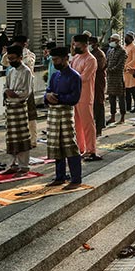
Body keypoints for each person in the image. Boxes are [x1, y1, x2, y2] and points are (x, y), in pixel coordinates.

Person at [45, 47, 83, 189]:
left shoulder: (74, 76)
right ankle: (60, 177)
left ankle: (76, 179)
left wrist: (58, 98)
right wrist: (47, 96)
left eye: (56, 60)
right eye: (53, 60)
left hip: (66, 114)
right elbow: (48, 91)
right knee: (57, 145)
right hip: (54, 115)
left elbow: (74, 98)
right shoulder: (55, 75)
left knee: (70, 146)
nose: (54, 62)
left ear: (65, 58)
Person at [0, 35, 37, 142]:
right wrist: (9, 52)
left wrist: (19, 52)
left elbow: (26, 64)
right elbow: (4, 62)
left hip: (26, 88)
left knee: (30, 115)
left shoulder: (29, 55)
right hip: (12, 87)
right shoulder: (11, 60)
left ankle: (32, 139)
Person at [3, 45, 34, 174]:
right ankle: (13, 164)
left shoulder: (27, 71)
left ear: (20, 58)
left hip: (20, 107)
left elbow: (27, 91)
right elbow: (5, 86)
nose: (11, 61)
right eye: (9, 59)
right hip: (10, 108)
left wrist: (14, 94)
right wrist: (7, 92)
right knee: (11, 138)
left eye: (13, 59)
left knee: (22, 138)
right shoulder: (10, 71)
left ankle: (24, 166)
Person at [70, 34, 99, 161]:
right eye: (74, 45)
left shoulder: (91, 59)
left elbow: (84, 77)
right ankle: (80, 148)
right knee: (77, 124)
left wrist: (69, 80)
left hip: (85, 95)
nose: (75, 47)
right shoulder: (76, 57)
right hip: (75, 95)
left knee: (87, 124)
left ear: (85, 45)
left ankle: (91, 150)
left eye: (77, 45)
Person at [88, 37, 107, 137]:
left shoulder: (99, 54)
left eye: (90, 43)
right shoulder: (90, 54)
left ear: (95, 44)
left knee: (99, 103)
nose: (89, 45)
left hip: (98, 82)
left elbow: (99, 67)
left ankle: (99, 127)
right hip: (91, 83)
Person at [106, 34, 127, 124]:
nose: (111, 41)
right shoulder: (111, 51)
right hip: (110, 79)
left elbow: (120, 66)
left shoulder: (122, 51)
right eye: (110, 40)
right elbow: (107, 62)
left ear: (117, 41)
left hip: (118, 78)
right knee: (111, 99)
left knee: (121, 98)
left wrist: (109, 70)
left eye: (113, 40)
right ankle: (113, 116)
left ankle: (122, 117)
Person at [123, 32, 135, 115]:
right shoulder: (125, 47)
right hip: (125, 72)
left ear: (131, 38)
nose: (126, 39)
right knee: (126, 90)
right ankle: (128, 106)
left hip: (131, 71)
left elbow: (134, 60)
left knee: (133, 90)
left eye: (127, 37)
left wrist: (126, 66)